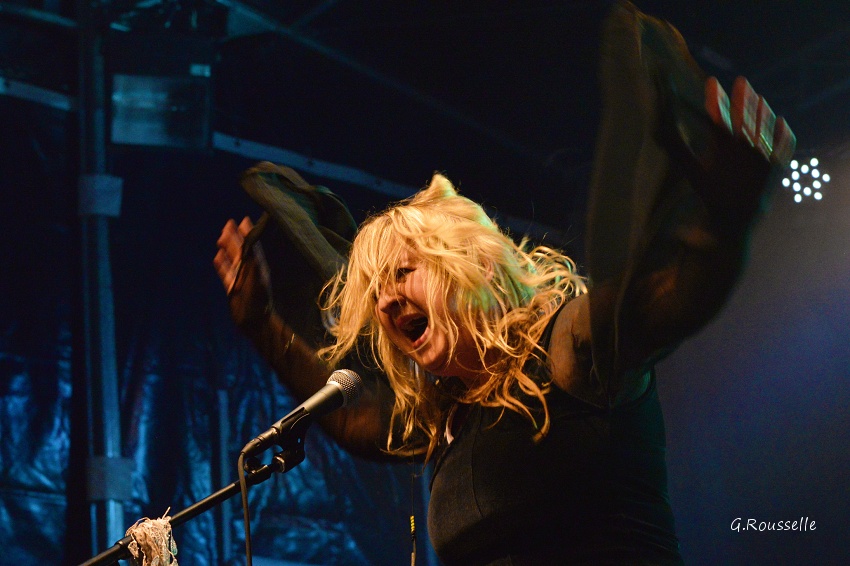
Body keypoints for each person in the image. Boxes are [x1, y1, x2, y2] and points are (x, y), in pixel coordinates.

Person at [214, 3, 795, 564]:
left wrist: (718, 221)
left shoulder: (564, 351)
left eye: (404, 272)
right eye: (376, 292)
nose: (386, 300)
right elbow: (355, 423)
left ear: (480, 267)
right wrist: (261, 324)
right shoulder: (448, 416)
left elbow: (656, 306)